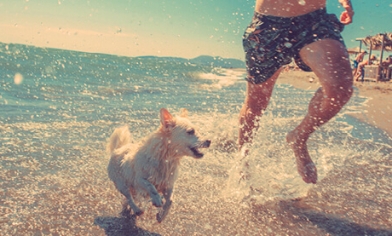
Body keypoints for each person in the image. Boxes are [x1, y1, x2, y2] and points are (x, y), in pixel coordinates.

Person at [240, 0, 354, 184]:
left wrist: (345, 2)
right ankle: (242, 165)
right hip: (268, 25)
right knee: (256, 105)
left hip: (314, 21)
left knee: (340, 88)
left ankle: (299, 137)